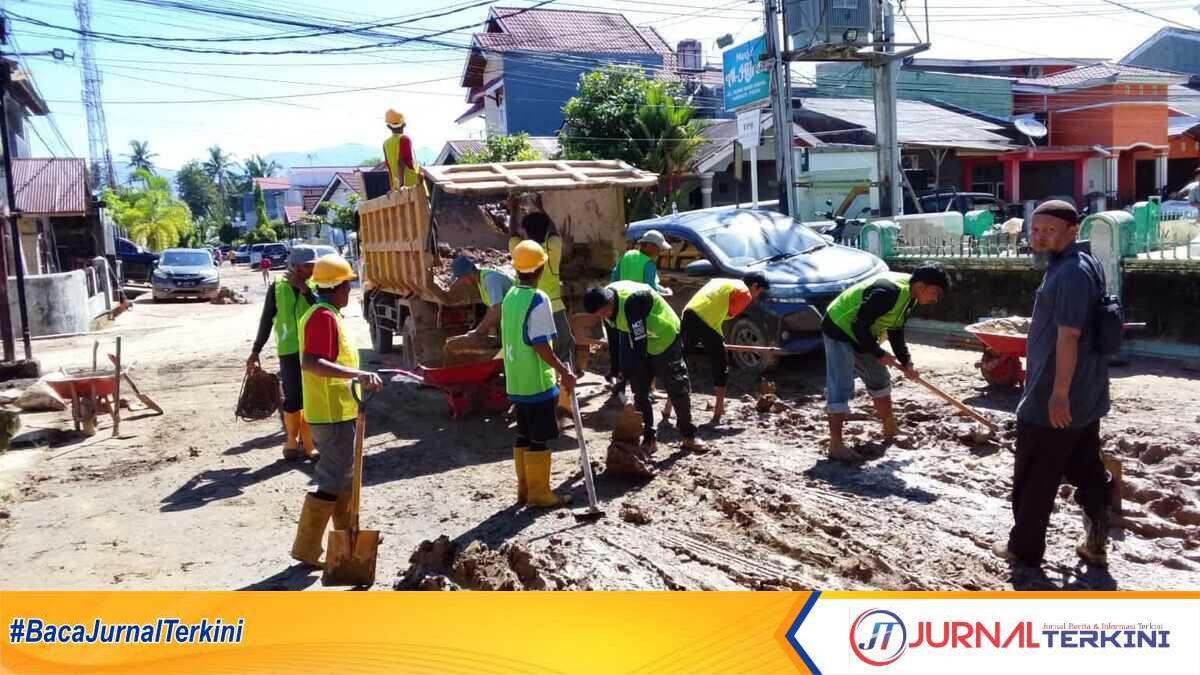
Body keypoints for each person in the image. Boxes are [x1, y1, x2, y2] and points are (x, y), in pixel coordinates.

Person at [992, 200, 1114, 569]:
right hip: (1088, 394)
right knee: (1087, 468)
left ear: (1072, 231)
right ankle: (1096, 544)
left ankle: (1024, 551)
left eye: (1049, 230)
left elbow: (1068, 337)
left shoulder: (1070, 273)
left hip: (1054, 397)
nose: (1040, 237)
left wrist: (1058, 395)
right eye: (1036, 229)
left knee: (1034, 477)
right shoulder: (1080, 263)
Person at [290, 254, 383, 567]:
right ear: (338, 287)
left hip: (338, 410)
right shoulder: (322, 317)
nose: (349, 292)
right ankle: (306, 547)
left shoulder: (328, 313)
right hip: (330, 413)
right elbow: (311, 362)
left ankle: (346, 536)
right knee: (331, 478)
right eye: (347, 286)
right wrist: (357, 375)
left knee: (344, 477)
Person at [821, 262, 949, 461]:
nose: (935, 299)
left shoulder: (910, 297)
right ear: (922, 285)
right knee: (841, 384)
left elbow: (896, 330)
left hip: (862, 333)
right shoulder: (888, 292)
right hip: (839, 327)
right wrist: (878, 353)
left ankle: (890, 429)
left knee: (879, 378)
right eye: (935, 292)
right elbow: (858, 324)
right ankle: (836, 445)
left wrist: (907, 362)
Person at [583, 281, 705, 454]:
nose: (603, 316)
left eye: (604, 312)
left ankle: (689, 436)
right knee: (640, 391)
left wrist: (629, 373)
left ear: (610, 302)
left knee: (677, 387)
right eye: (599, 314)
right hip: (640, 340)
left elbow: (640, 343)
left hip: (665, 336)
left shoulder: (633, 302)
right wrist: (616, 369)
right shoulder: (606, 306)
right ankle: (649, 439)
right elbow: (614, 338)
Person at [502, 240, 577, 508]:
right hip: (536, 381)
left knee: (523, 433)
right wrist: (563, 371)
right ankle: (539, 494)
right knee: (539, 436)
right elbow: (540, 343)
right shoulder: (537, 299)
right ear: (541, 267)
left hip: (516, 380)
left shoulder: (510, 296)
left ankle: (525, 490)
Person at [665, 273, 770, 426]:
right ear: (754, 286)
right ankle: (719, 410)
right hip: (708, 321)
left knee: (679, 361)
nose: (755, 296)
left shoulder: (722, 281)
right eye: (758, 292)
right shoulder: (744, 293)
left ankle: (667, 408)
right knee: (720, 365)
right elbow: (730, 313)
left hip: (689, 313)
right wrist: (715, 342)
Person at [247, 245, 320, 461]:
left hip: (313, 351)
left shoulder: (316, 286)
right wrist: (255, 351)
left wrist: (306, 290)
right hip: (289, 352)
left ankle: (308, 444)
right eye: (308, 266)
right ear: (296, 267)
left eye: (314, 266)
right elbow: (266, 320)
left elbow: (323, 309)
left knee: (310, 397)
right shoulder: (277, 287)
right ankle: (290, 441)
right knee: (293, 397)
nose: (312, 270)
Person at [509, 211, 575, 417]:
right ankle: (565, 401)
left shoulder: (519, 251)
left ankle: (542, 395)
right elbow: (554, 232)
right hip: (555, 308)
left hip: (527, 308)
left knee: (538, 354)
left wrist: (513, 210)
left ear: (525, 233)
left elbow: (512, 234)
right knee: (563, 352)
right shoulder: (552, 249)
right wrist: (543, 209)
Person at [609, 230, 673, 400]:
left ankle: (621, 387)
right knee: (643, 351)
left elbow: (613, 278)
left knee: (625, 351)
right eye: (658, 248)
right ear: (649, 246)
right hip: (642, 312)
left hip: (622, 310)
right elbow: (650, 289)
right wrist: (664, 294)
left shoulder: (627, 256)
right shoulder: (649, 264)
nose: (659, 251)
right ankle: (645, 390)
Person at [449, 255, 515, 339]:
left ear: (469, 274)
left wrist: (478, 332)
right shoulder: (480, 281)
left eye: (461, 279)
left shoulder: (490, 279)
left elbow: (497, 309)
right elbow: (492, 309)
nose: (461, 282)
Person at [383, 109, 419, 191]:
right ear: (404, 124)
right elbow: (400, 161)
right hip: (411, 185)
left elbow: (389, 167)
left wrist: (393, 188)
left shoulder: (386, 144)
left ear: (388, 126)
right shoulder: (405, 139)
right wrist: (402, 185)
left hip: (397, 188)